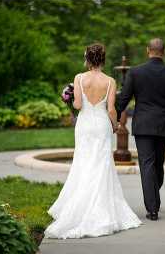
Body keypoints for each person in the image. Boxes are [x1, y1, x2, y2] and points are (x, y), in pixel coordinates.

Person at [44, 44, 141, 238]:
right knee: (102, 164)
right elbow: (112, 110)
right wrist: (114, 125)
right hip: (102, 125)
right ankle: (100, 210)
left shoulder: (79, 78)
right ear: (103, 60)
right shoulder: (110, 81)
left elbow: (78, 104)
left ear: (87, 59)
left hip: (85, 125)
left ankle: (78, 207)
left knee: (83, 163)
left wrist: (70, 100)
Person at [115, 38, 165, 221]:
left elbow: (123, 99)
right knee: (157, 164)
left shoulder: (136, 72)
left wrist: (113, 119)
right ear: (164, 51)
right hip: (164, 126)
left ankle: (152, 203)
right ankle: (153, 206)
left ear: (148, 50)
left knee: (148, 165)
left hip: (143, 125)